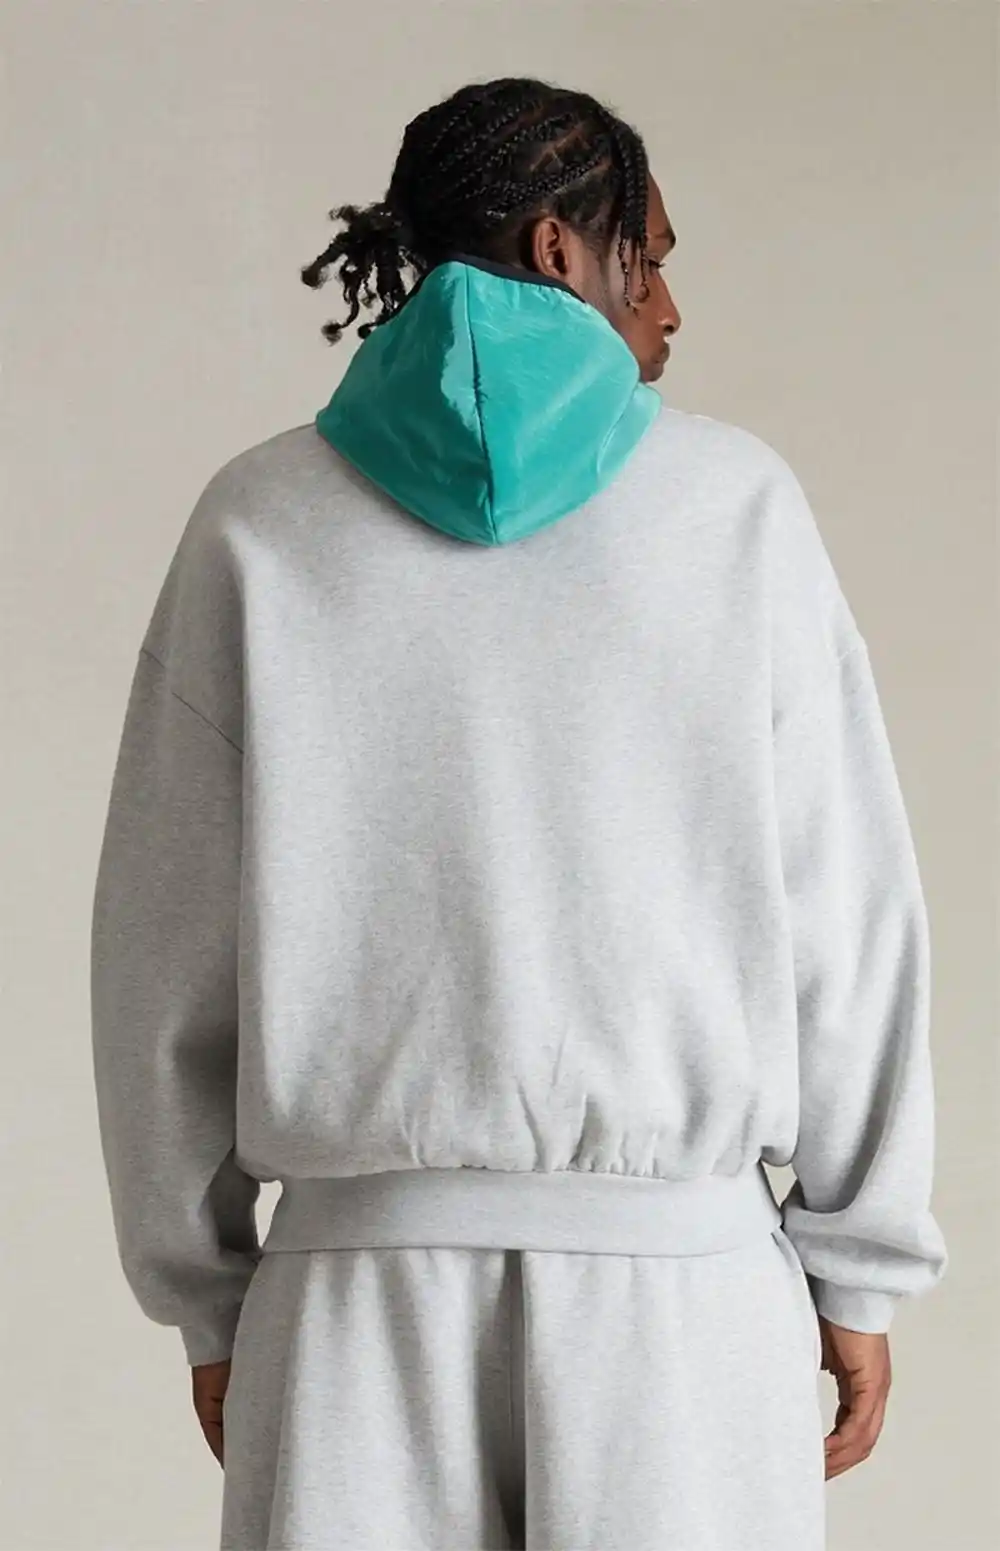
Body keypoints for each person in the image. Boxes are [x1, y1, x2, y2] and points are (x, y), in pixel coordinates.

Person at [90, 76, 948, 1551]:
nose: (668, 309)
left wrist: (207, 1292)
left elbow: (162, 957)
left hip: (355, 1312)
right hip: (681, 1305)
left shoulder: (258, 521)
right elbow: (849, 918)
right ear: (562, 250)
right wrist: (860, 1264)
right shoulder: (737, 509)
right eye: (648, 259)